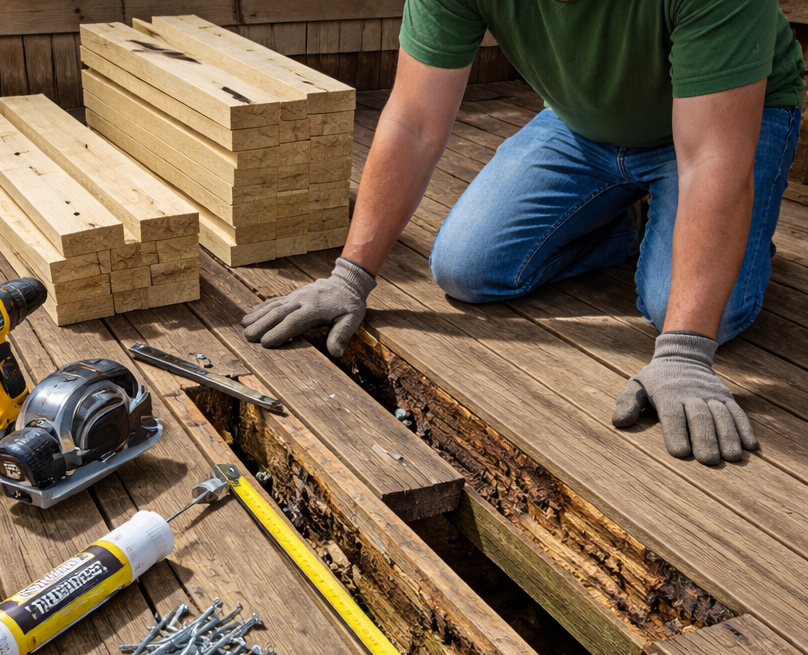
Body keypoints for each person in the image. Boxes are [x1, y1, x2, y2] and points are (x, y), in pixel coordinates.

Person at [242, 0, 805, 466]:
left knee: (689, 310)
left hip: (727, 123)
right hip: (583, 124)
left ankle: (729, 238)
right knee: (466, 267)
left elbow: (711, 159)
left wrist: (684, 351)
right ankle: (642, 223)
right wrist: (349, 277)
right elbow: (413, 122)